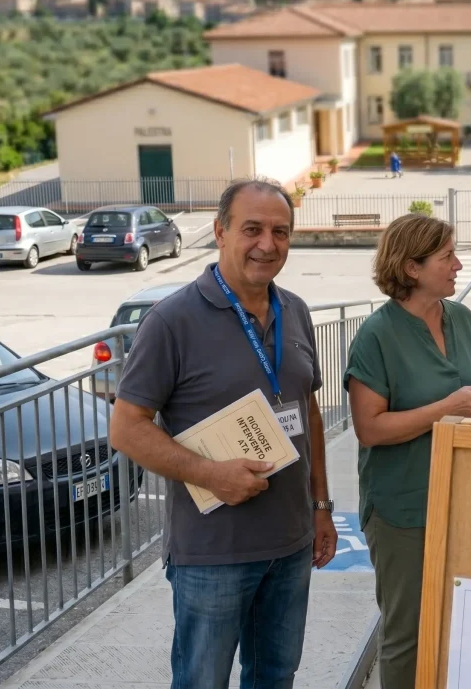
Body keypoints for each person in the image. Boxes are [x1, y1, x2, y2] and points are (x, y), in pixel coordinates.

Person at [110, 179, 338, 689]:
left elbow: (309, 413)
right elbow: (126, 429)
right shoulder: (171, 321)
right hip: (213, 554)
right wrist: (211, 474)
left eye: (281, 232)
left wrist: (321, 508)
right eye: (252, 229)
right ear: (219, 231)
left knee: (276, 676)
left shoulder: (295, 310)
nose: (268, 244)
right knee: (201, 681)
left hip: (292, 543)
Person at [344, 214, 471, 689]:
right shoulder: (376, 335)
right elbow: (369, 428)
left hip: (464, 499)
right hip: (403, 508)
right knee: (407, 633)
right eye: (447, 256)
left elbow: (466, 398)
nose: (459, 264)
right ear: (412, 268)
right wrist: (448, 407)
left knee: (461, 625)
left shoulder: (461, 318)